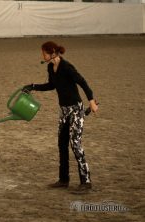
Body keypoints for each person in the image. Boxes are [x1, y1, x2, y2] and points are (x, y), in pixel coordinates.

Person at [23, 41, 98, 191]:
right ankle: (64, 180)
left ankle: (86, 181)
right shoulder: (51, 67)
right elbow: (52, 85)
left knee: (75, 145)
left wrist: (92, 101)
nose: (42, 55)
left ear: (52, 53)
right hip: (63, 111)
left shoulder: (67, 67)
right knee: (62, 145)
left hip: (76, 110)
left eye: (44, 52)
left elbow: (82, 82)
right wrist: (33, 86)